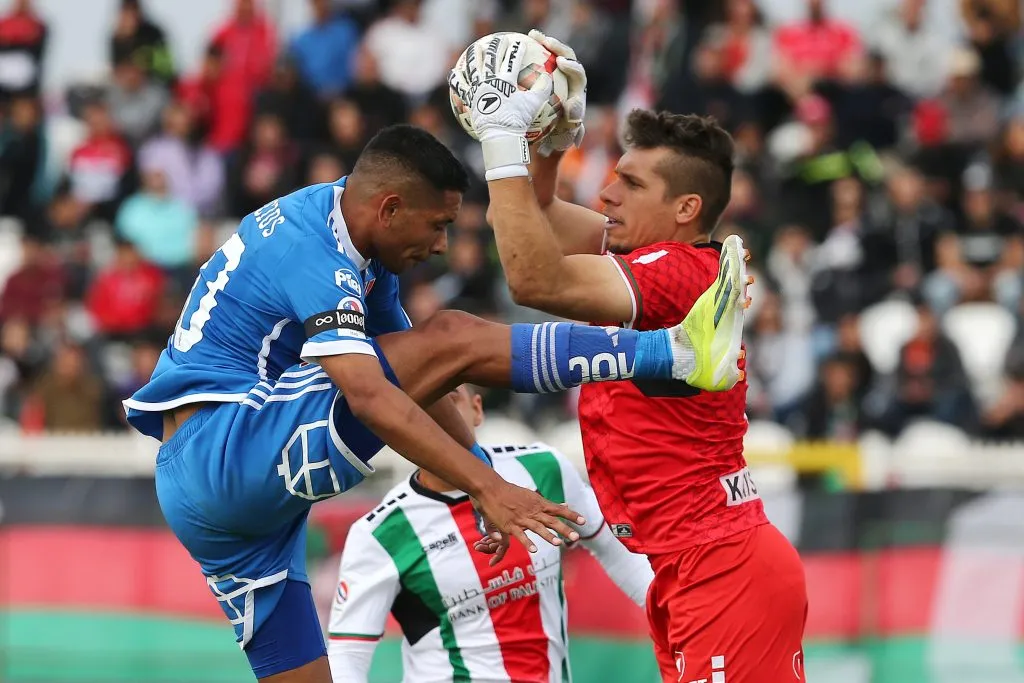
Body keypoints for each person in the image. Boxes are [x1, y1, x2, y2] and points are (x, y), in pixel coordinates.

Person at [121, 123, 749, 682]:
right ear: (390, 208)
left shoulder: (364, 249)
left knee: (441, 347)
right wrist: (488, 486)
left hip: (218, 506)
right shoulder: (311, 247)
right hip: (228, 447)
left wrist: (477, 473)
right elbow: (373, 394)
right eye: (440, 224)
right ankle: (674, 355)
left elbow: (423, 382)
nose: (445, 244)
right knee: (452, 332)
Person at [453, 32, 806, 683]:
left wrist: (502, 136)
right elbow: (535, 221)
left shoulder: (673, 271)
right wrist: (555, 143)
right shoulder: (658, 259)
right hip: (694, 562)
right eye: (612, 177)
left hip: (719, 566)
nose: (607, 194)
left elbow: (533, 278)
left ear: (685, 208)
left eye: (630, 183)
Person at [327, 385, 653, 683]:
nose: (435, 418)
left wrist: (675, 620)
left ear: (477, 409)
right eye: (420, 408)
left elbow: (613, 545)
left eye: (449, 400)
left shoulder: (543, 469)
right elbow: (347, 655)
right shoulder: (380, 533)